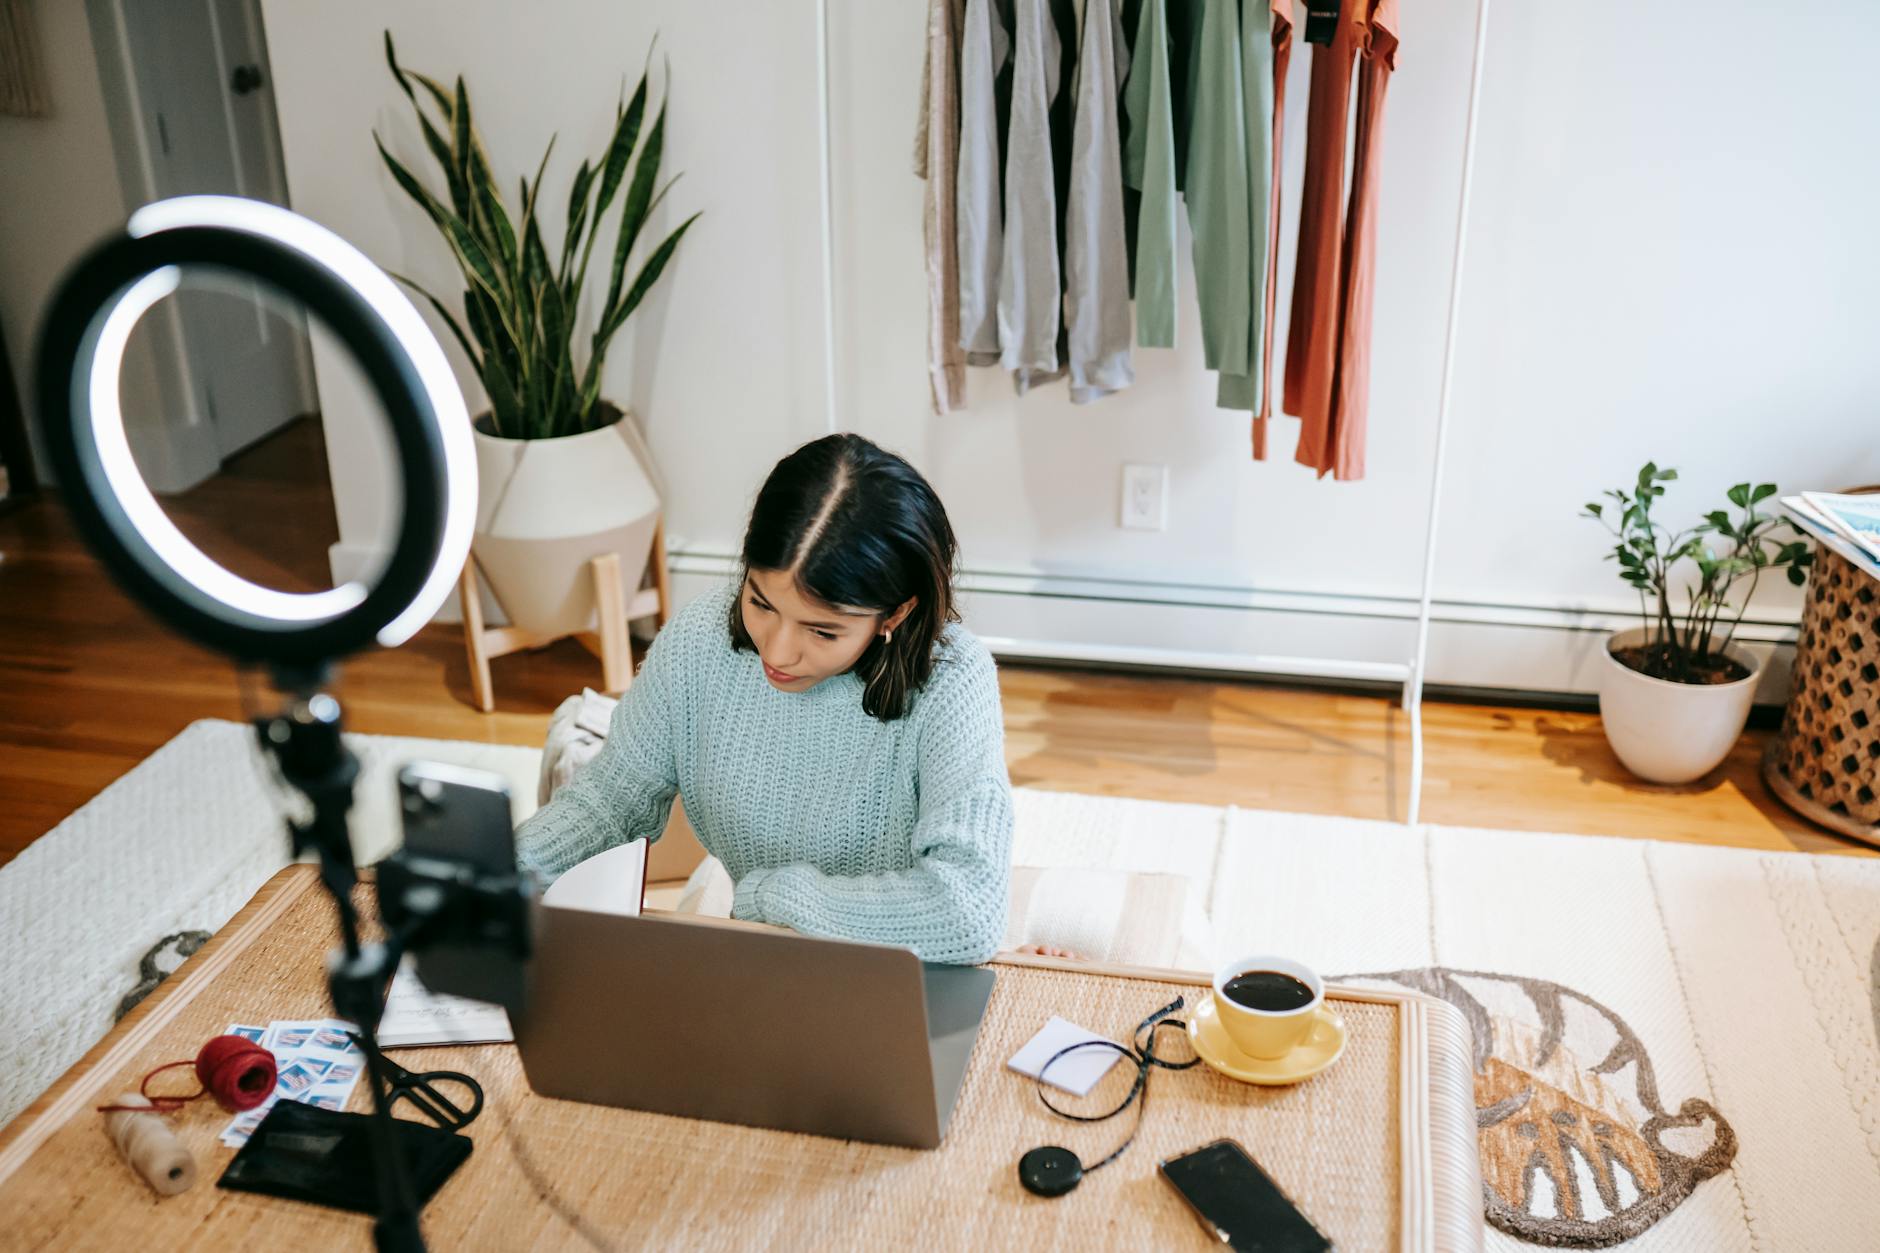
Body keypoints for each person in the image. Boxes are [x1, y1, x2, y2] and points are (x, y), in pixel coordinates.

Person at [515, 433, 1014, 965]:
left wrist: (771, 897)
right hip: (759, 952)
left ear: (894, 615)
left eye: (822, 632)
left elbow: (968, 912)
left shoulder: (954, 681)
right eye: (760, 602)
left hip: (893, 967)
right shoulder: (699, 640)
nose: (776, 651)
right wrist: (487, 873)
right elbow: (611, 802)